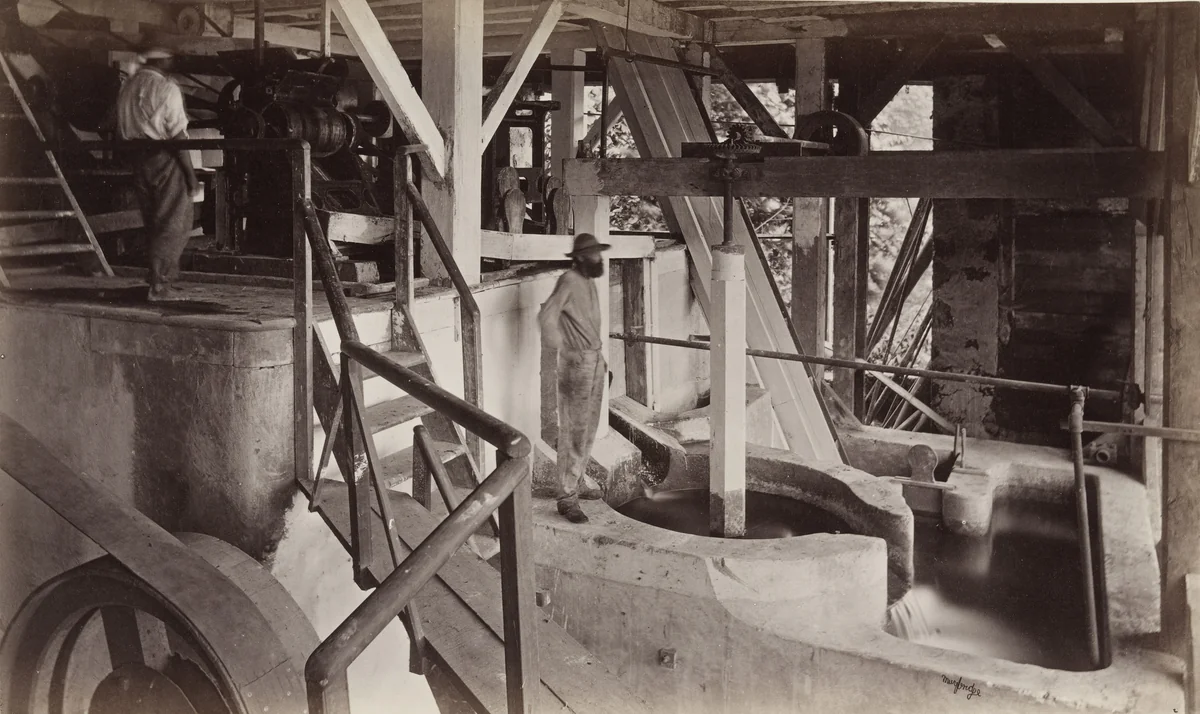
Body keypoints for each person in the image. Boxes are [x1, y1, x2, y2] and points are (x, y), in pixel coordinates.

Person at [538, 233, 611, 523]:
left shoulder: (589, 282)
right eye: (594, 254)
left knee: (589, 429)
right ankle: (567, 499)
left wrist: (599, 359)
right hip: (577, 364)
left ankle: (576, 482)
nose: (599, 258)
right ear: (580, 257)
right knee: (573, 432)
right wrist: (566, 350)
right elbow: (546, 317)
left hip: (594, 360)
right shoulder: (568, 279)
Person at [117, 46, 197, 302]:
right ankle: (160, 286)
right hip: (164, 157)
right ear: (163, 61)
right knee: (174, 221)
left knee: (154, 220)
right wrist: (190, 175)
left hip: (138, 159)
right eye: (171, 58)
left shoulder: (128, 86)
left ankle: (155, 277)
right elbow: (178, 135)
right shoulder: (166, 88)